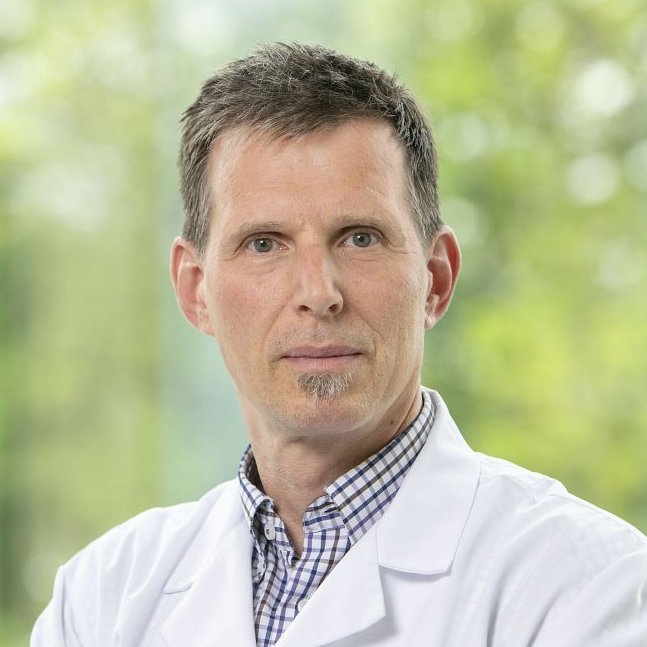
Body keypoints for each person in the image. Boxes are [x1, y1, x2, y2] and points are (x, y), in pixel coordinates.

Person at [32, 43, 646, 647]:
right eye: (264, 244)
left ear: (435, 279)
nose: (318, 293)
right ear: (196, 291)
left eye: (359, 238)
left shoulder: (587, 585)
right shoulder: (102, 598)